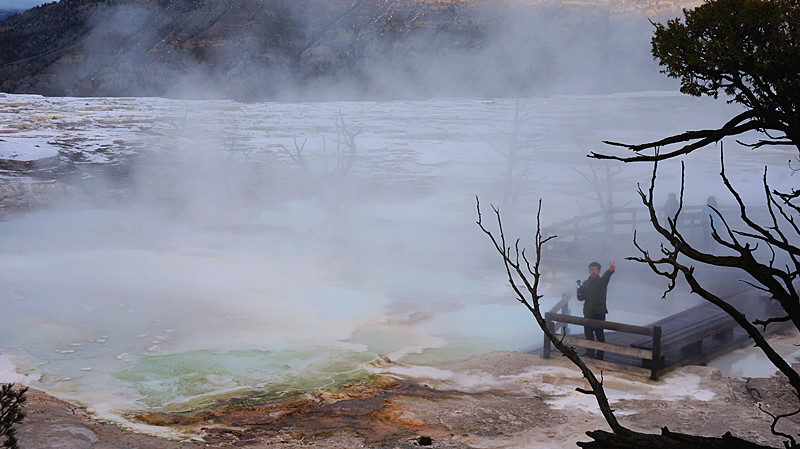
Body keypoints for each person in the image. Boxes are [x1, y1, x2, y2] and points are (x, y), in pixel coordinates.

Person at [576, 261, 615, 360]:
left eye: (595, 269)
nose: (593, 271)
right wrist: (579, 294)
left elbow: (607, 276)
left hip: (599, 313)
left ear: (599, 271)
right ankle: (590, 353)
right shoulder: (585, 283)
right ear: (589, 271)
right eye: (591, 269)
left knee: (599, 335)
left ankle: (600, 355)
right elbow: (581, 298)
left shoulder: (602, 282)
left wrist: (610, 271)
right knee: (588, 335)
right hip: (588, 312)